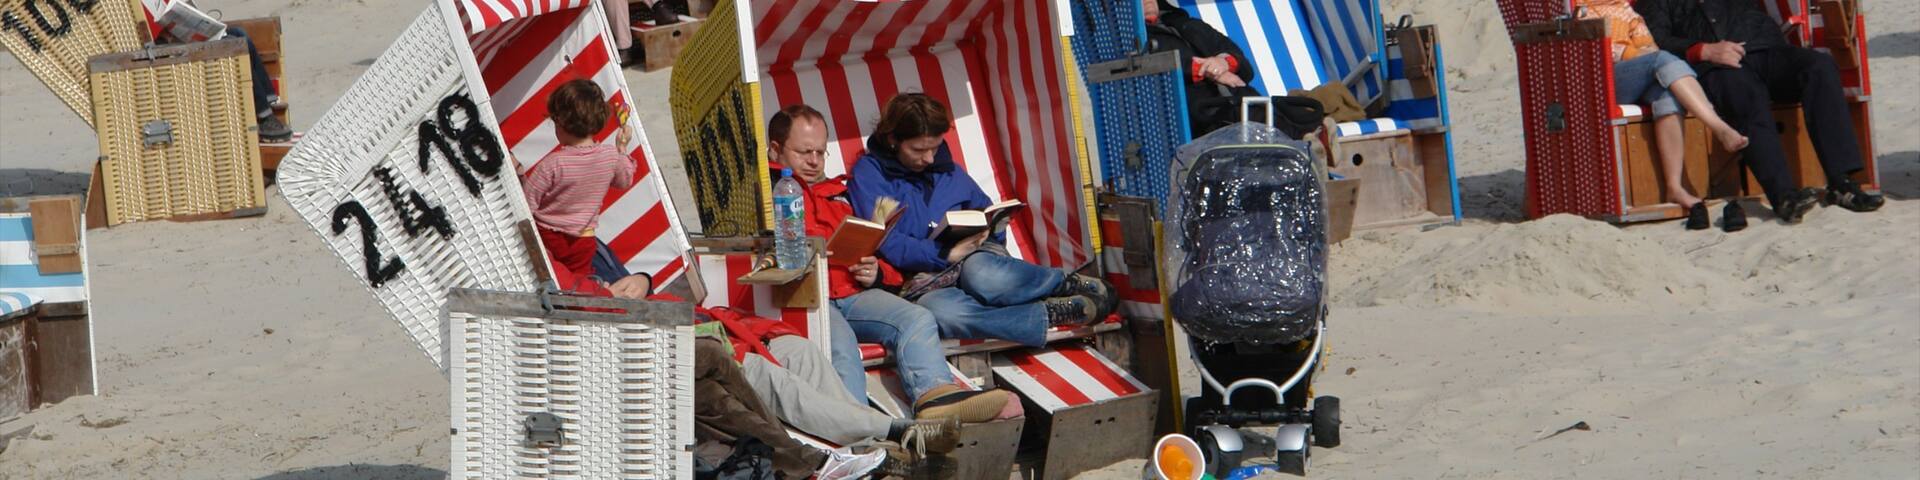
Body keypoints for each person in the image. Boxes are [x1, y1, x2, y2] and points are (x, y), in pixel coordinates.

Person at [766, 105, 1021, 424]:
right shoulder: (765, 194)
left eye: (820, 152)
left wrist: (875, 272)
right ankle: (863, 436)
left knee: (916, 318)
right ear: (776, 149)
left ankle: (937, 398)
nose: (814, 161)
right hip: (806, 298)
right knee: (842, 349)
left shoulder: (839, 192)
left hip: (853, 291)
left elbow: (874, 248)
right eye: (804, 152)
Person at [846, 94, 1117, 349]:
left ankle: (1063, 283)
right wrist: (944, 254)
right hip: (924, 277)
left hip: (976, 258)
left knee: (981, 275)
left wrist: (990, 230)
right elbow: (885, 238)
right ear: (893, 139)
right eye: (919, 149)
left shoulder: (946, 167)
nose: (929, 158)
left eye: (935, 147)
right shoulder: (870, 175)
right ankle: (1049, 313)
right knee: (942, 313)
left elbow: (983, 207)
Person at [1636, 0, 1884, 224]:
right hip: (1715, 66)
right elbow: (1655, 40)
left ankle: (1841, 182)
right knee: (1744, 95)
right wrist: (1704, 50)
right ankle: (1784, 196)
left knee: (1820, 67)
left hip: (1767, 49)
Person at [1577, 0, 1749, 230]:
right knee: (1662, 60)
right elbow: (1598, 48)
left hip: (1634, 72)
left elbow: (1648, 45)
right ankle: (1718, 126)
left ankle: (1674, 187)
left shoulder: (1622, 7)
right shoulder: (1577, 7)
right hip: (1597, 78)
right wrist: (1641, 57)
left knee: (1667, 94)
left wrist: (1645, 57)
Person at [1142, 0, 1325, 138]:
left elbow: (1243, 63)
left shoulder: (1191, 25)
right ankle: (1309, 144)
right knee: (1258, 117)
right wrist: (1205, 69)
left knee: (1302, 112)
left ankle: (1312, 143)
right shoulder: (1133, 42)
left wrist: (1224, 63)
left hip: (1240, 98)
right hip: (1202, 113)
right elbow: (1152, 64)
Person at [521, 79, 635, 277]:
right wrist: (622, 148)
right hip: (583, 239)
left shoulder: (553, 164)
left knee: (548, 277)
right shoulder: (610, 157)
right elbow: (624, 181)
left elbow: (527, 204)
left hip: (548, 236)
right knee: (579, 283)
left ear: (561, 123)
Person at [149, 0, 290, 142]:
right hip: (167, 49)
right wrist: (166, 36)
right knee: (234, 43)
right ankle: (265, 116)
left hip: (181, 38)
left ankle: (269, 100)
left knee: (240, 33)